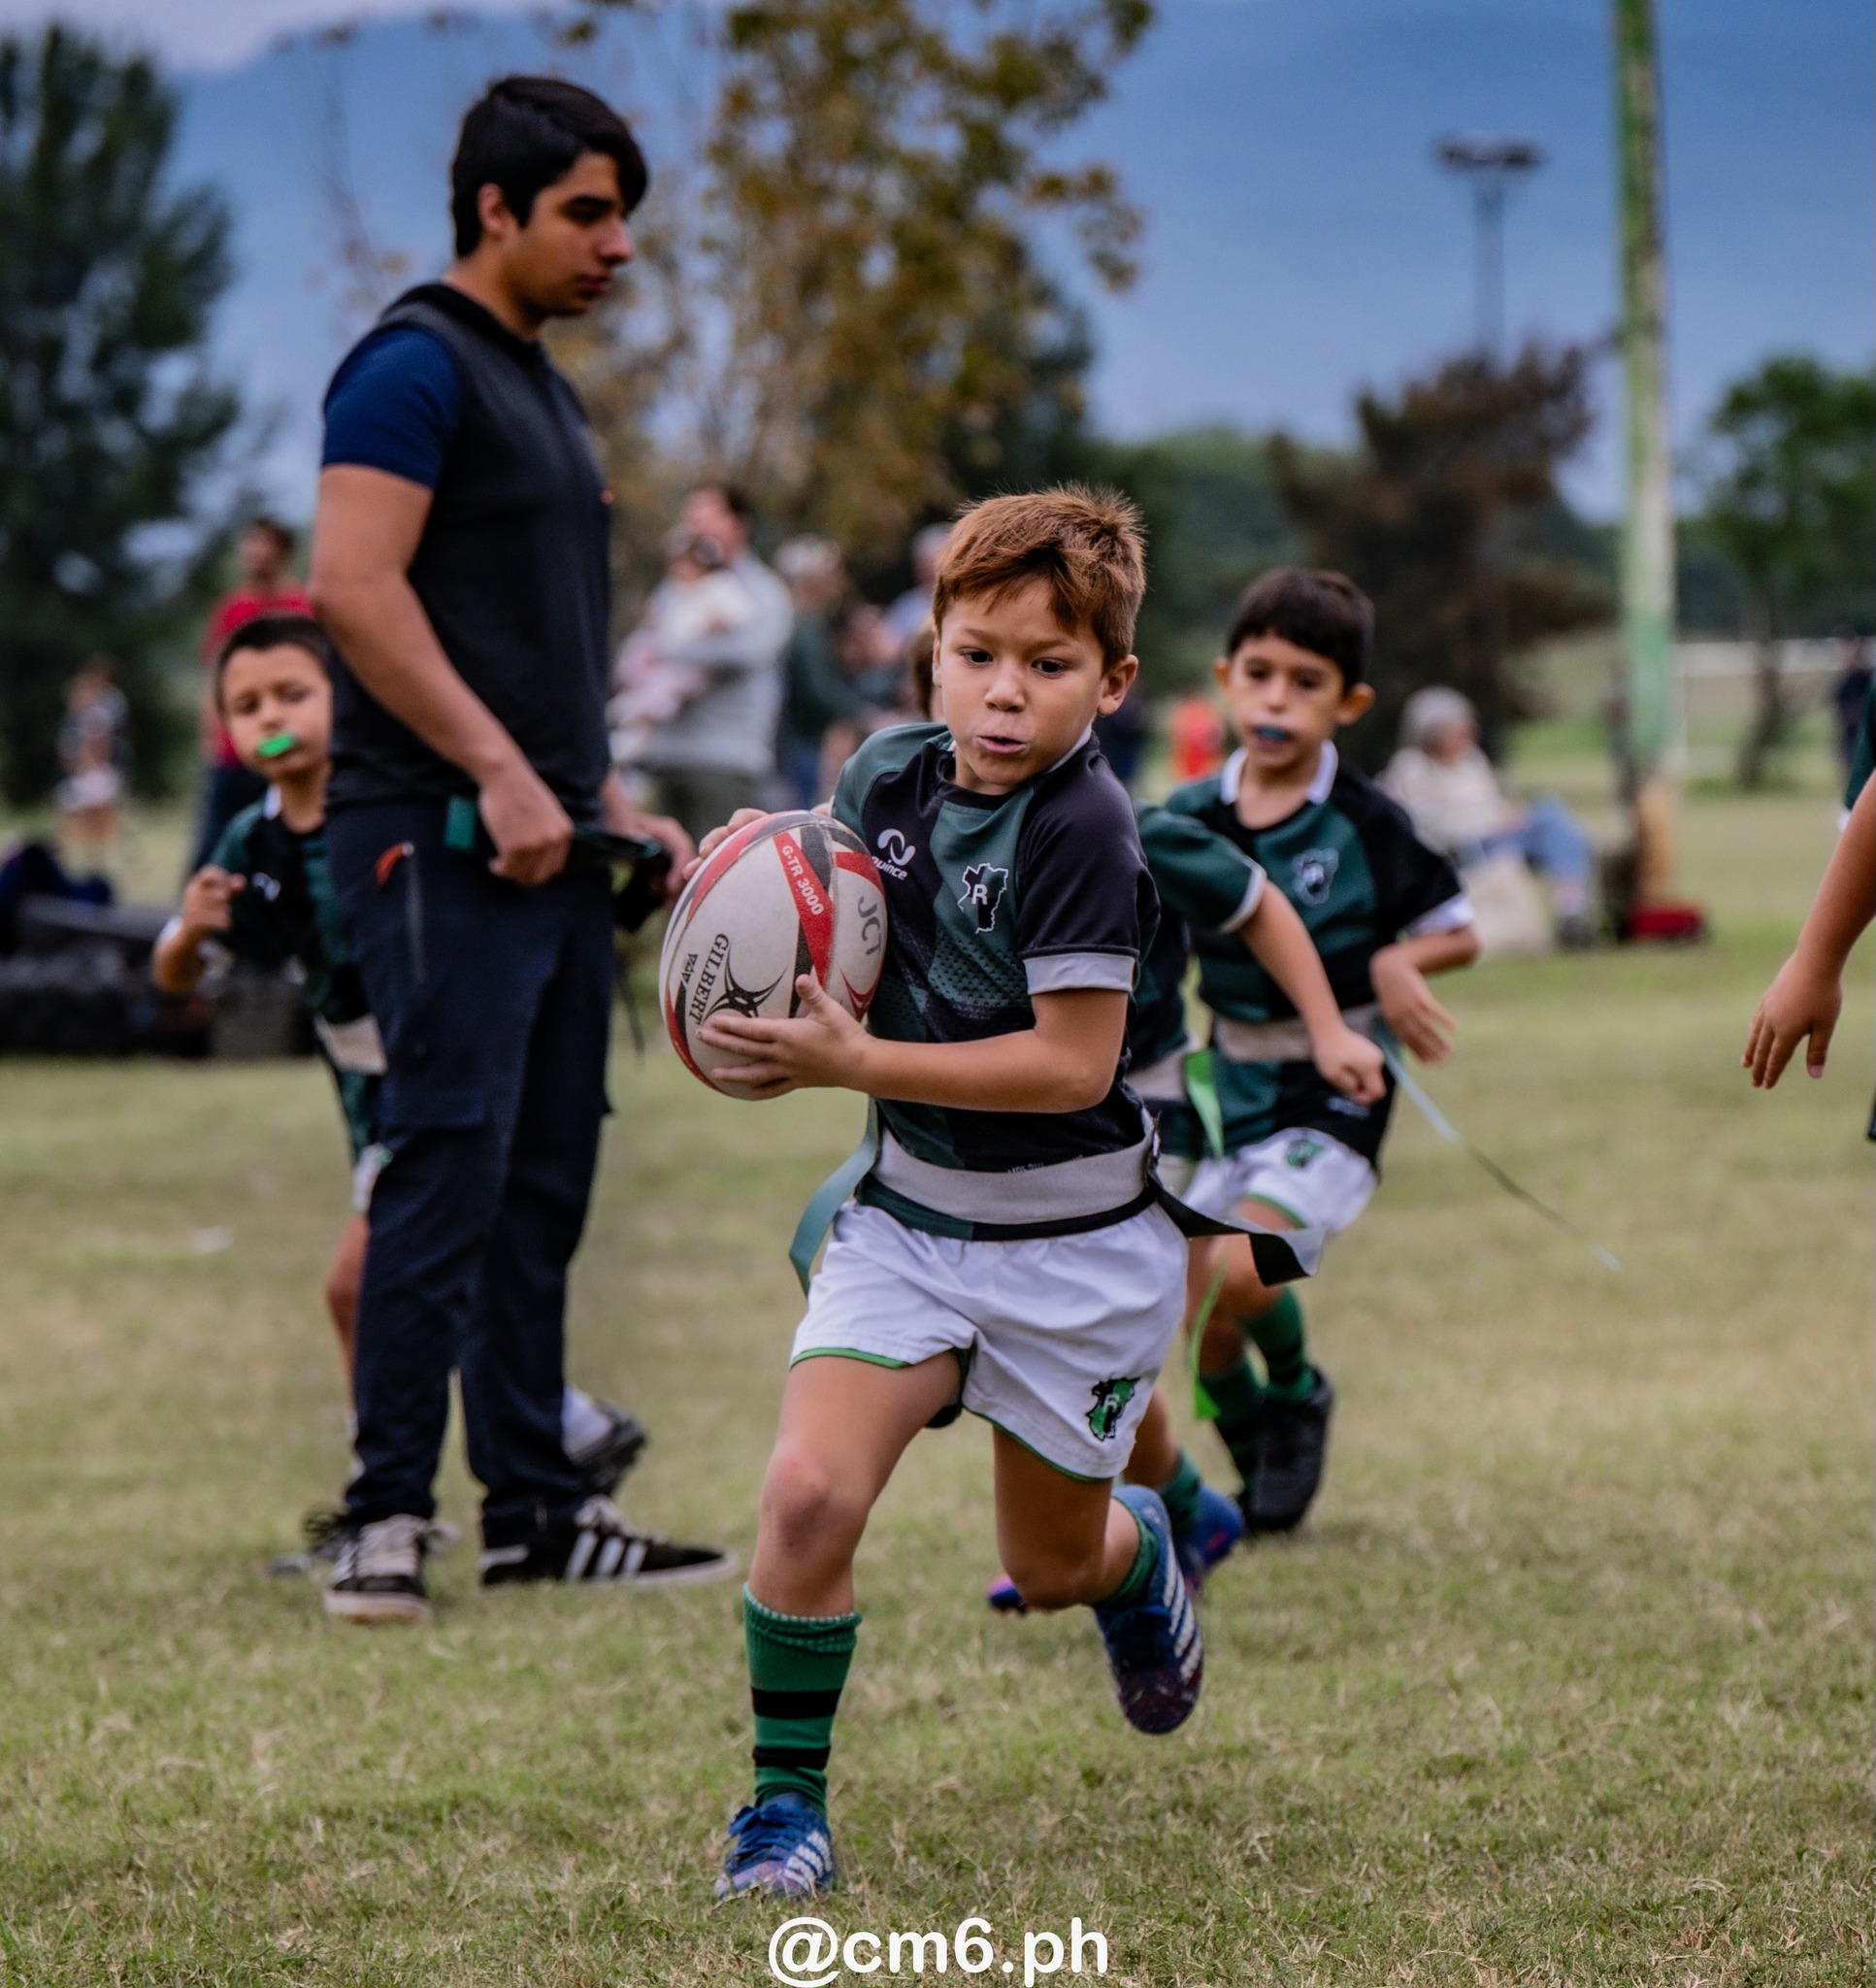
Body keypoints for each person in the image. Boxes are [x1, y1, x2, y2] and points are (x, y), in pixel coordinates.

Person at [695, 489, 1228, 1900]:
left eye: (1048, 665)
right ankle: (783, 1810)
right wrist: (758, 867)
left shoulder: (1086, 827)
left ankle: (1135, 1555)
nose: (1003, 692)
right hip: (910, 1223)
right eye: (975, 654)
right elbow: (830, 897)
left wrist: (855, 1061)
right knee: (806, 1493)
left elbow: (1070, 1066)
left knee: (1047, 1567)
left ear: (1112, 681)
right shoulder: (883, 773)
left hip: (1075, 1250)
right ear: (927, 648)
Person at [307, 75, 730, 1623]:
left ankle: (538, 1515)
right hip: (433, 841)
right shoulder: (408, 369)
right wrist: (493, 769)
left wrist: (598, 796)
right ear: (495, 208)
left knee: (542, 1180)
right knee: (444, 1171)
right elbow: (352, 587)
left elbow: (536, 639)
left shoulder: (539, 385)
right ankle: (383, 1521)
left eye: (625, 217)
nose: (619, 246)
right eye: (587, 214)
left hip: (554, 847)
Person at [152, 613, 647, 1522]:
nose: (273, 718)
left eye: (294, 694)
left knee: (368, 1280)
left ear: (351, 698)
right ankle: (555, 1426)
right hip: (365, 1093)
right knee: (434, 1269)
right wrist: (188, 933)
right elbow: (179, 973)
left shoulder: (395, 815)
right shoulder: (251, 843)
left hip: (441, 1075)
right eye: (248, 706)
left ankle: (391, 1486)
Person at [985, 799, 1388, 1611]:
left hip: (1140, 1107)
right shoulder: (928, 804)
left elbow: (1256, 901)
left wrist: (1328, 1030)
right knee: (1031, 1340)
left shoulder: (1127, 824)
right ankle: (1178, 1508)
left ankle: (1169, 1507)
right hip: (1009, 1113)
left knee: (1093, 1328)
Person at [1162, 570, 1478, 1534]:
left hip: (1336, 1081)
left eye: (1306, 683)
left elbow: (1457, 928)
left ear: (1349, 704)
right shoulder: (1185, 818)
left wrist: (1396, 959)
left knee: (1244, 1268)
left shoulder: (1366, 821)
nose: (1275, 701)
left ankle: (1296, 1390)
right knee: (1196, 1311)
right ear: (1225, 678)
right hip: (1225, 1080)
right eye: (1258, 674)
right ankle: (1258, 1445)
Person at [634, 483, 792, 844]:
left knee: (716, 870)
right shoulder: (674, 585)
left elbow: (749, 652)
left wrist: (670, 649)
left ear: (739, 524)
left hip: (725, 761)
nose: (695, 525)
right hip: (668, 756)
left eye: (706, 516)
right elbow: (648, 639)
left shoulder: (763, 590)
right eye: (690, 516)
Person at [1380, 685, 1596, 947]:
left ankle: (1571, 911)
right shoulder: (1411, 768)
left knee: (1552, 817)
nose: (1468, 736)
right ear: (1433, 733)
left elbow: (1491, 803)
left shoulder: (1472, 760)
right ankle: (1570, 910)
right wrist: (1491, 824)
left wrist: (1507, 813)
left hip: (1496, 838)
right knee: (1548, 815)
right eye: (1458, 730)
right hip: (1464, 851)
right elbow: (1425, 827)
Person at [192, 518, 313, 872]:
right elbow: (214, 679)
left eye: (263, 543)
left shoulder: (301, 606)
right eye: (249, 543)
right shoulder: (233, 609)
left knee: (279, 841)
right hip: (235, 753)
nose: (254, 552)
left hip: (286, 744)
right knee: (214, 845)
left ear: (283, 552)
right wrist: (211, 740)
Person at [610, 525, 754, 777]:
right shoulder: (675, 590)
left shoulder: (719, 587)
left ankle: (630, 733)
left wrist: (714, 623)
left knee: (658, 700)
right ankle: (628, 714)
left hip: (686, 665)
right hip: (667, 656)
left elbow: (738, 614)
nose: (680, 571)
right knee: (641, 661)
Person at [773, 537, 868, 808]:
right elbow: (819, 688)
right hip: (805, 739)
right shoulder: (805, 624)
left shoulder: (790, 619)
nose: (836, 582)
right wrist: (864, 714)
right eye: (830, 574)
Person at [55, 657, 130, 871]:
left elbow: (98, 745)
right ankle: (86, 860)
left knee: (93, 817)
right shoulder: (83, 718)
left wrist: (88, 766)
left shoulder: (100, 713)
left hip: (93, 772)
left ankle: (89, 861)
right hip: (87, 771)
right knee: (82, 816)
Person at [883, 520, 951, 652]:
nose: (929, 572)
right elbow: (891, 650)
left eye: (933, 564)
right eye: (924, 565)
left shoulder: (967, 601)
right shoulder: (905, 607)